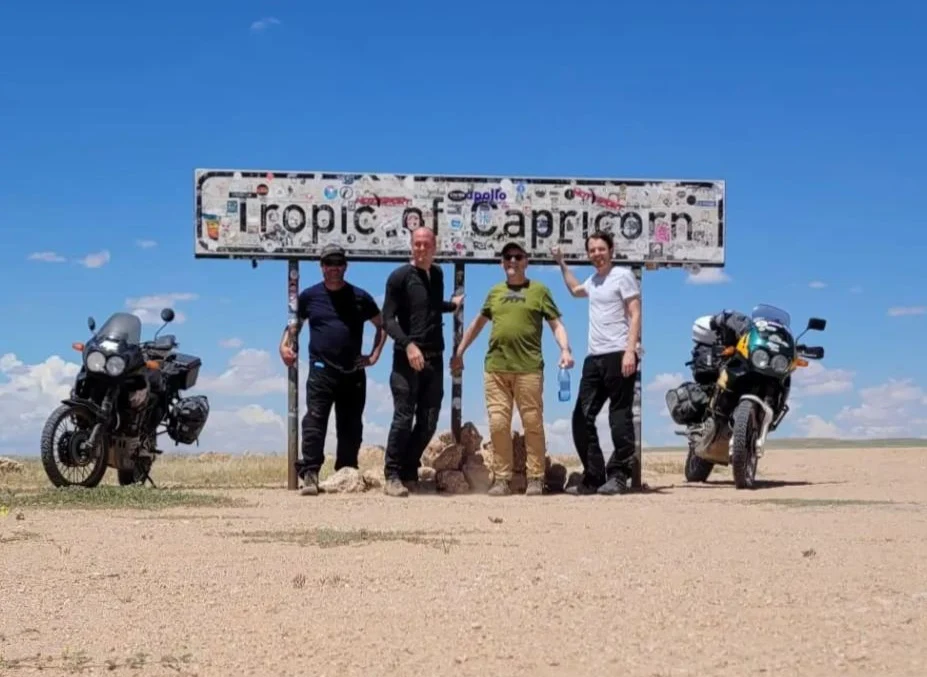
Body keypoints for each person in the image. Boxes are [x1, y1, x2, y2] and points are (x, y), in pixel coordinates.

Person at [451, 241, 573, 497]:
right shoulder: (495, 292)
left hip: (529, 369)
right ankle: (502, 479)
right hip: (496, 368)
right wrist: (460, 352)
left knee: (532, 423)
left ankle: (536, 478)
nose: (513, 261)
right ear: (502, 263)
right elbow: (477, 324)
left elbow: (556, 324)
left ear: (526, 262)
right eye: (508, 257)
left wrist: (565, 349)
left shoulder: (539, 291)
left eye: (518, 257)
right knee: (497, 424)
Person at [279, 244, 386, 496]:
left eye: (338, 263)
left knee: (351, 427)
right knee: (314, 422)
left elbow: (382, 325)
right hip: (320, 371)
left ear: (345, 266)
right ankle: (310, 474)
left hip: (353, 373)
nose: (334, 268)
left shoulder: (360, 297)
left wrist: (374, 355)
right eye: (329, 264)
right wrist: (283, 345)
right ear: (322, 267)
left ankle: (346, 474)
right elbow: (294, 325)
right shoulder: (309, 297)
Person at [551, 231, 641, 496]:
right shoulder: (594, 280)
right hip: (594, 358)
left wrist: (630, 351)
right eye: (592, 250)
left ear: (611, 250)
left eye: (601, 249)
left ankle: (619, 476)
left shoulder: (622, 276)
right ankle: (594, 477)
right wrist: (561, 263)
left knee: (619, 417)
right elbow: (576, 290)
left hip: (618, 354)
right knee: (581, 417)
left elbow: (635, 314)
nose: (597, 254)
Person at [380, 227, 463, 497]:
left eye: (426, 244)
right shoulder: (399, 277)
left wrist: (451, 306)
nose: (421, 249)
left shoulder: (437, 274)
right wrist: (408, 345)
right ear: (411, 246)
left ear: (435, 247)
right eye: (417, 244)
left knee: (428, 421)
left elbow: (428, 306)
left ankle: (408, 468)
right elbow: (388, 319)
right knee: (403, 417)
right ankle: (392, 475)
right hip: (407, 359)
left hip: (434, 361)